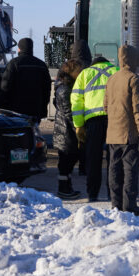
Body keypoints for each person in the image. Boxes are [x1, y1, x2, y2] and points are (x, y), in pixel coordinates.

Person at [104, 45, 139, 215]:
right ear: (133, 59)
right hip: (129, 134)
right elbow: (138, 110)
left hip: (113, 133)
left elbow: (105, 106)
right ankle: (129, 205)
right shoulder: (134, 79)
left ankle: (116, 204)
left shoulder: (112, 79)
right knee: (130, 171)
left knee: (114, 171)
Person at [71, 54, 119, 201]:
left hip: (93, 121)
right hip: (114, 119)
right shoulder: (116, 71)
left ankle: (92, 194)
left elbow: (76, 102)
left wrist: (79, 126)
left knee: (93, 159)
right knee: (114, 159)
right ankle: (113, 194)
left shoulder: (85, 74)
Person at [53, 60, 84, 199]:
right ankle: (64, 189)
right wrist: (78, 127)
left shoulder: (65, 87)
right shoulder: (64, 89)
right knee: (66, 161)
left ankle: (67, 187)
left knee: (69, 159)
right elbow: (69, 112)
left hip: (65, 131)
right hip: (65, 132)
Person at [1, 38, 52, 123]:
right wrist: (43, 108)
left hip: (16, 109)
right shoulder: (41, 65)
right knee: (33, 132)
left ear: (19, 48)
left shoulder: (14, 63)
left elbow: (5, 87)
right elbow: (47, 89)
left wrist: (4, 106)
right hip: (35, 108)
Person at [70, 39, 92, 176]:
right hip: (88, 110)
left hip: (72, 109)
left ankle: (68, 168)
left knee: (72, 140)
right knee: (85, 141)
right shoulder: (89, 68)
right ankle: (84, 167)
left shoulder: (68, 66)